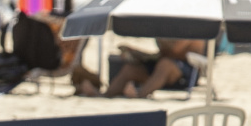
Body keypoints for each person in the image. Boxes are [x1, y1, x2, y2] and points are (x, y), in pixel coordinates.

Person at [78, 39, 206, 98]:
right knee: (130, 69)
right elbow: (162, 52)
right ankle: (106, 94)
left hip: (188, 69)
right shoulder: (169, 22)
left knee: (165, 64)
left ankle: (140, 94)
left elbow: (175, 49)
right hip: (164, 64)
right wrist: (137, 53)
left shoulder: (191, 22)